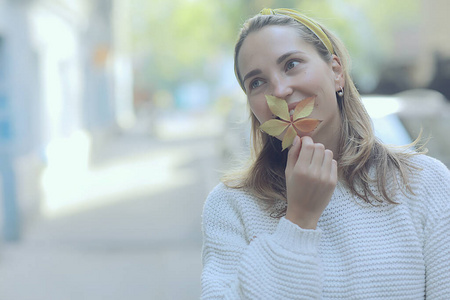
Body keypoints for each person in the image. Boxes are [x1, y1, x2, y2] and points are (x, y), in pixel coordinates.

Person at [201, 8, 450, 299]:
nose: (280, 90)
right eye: (257, 82)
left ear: (336, 71)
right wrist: (299, 220)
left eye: (292, 64)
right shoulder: (230, 206)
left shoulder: (426, 182)